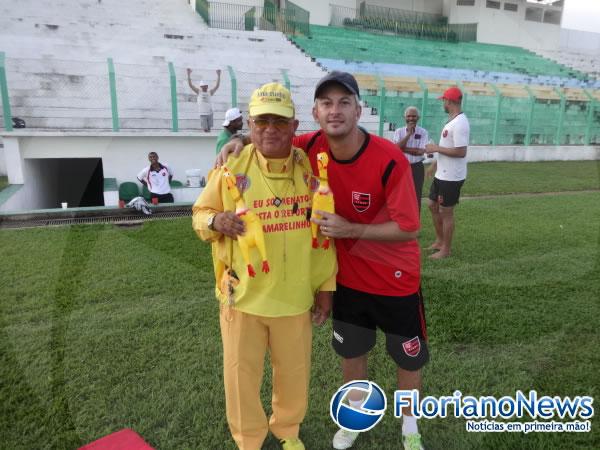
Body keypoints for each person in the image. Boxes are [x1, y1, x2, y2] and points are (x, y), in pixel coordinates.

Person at [218, 71, 428, 450]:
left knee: (407, 357)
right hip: (347, 277)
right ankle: (354, 419)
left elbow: (409, 227)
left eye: (344, 102)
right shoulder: (308, 146)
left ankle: (410, 428)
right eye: (327, 103)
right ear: (315, 112)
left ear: (358, 110)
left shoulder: (389, 158)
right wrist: (238, 139)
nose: (335, 111)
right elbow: (271, 134)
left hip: (395, 277)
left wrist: (351, 230)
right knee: (353, 354)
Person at [192, 82, 336, 450]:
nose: (269, 129)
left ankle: (288, 431)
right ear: (249, 125)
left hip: (294, 296)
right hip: (243, 297)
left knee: (294, 373)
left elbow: (322, 233)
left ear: (294, 125)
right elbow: (199, 215)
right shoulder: (230, 167)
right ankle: (248, 440)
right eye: (261, 121)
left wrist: (325, 287)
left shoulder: (310, 170)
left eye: (279, 121)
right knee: (241, 377)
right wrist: (216, 222)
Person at [424, 86, 470, 260]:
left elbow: (460, 152)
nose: (442, 103)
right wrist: (434, 164)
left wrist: (435, 148)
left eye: (443, 100)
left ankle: (446, 249)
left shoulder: (460, 123)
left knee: (446, 211)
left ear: (449, 101)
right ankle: (439, 241)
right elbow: (449, 148)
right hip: (442, 174)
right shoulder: (452, 120)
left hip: (451, 177)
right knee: (431, 204)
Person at [393, 106, 429, 211]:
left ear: (418, 117)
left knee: (416, 196)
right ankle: (400, 222)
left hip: (416, 168)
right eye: (409, 116)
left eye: (414, 116)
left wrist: (402, 148)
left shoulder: (423, 132)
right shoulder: (399, 132)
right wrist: (408, 134)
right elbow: (395, 149)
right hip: (401, 168)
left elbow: (421, 151)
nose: (411, 118)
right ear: (405, 117)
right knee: (399, 195)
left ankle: (415, 224)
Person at [187, 68, 221, 132]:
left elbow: (217, 86)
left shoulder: (209, 92)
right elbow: (190, 85)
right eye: (203, 86)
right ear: (201, 86)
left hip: (210, 113)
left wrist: (218, 75)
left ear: (207, 86)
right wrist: (188, 74)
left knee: (209, 129)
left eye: (205, 86)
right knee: (205, 129)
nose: (204, 87)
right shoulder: (198, 92)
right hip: (202, 114)